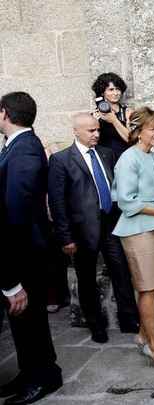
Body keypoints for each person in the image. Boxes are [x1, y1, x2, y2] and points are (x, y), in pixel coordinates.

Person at [48, 113, 141, 343]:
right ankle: (96, 325)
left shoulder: (106, 153)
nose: (96, 134)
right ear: (76, 131)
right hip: (81, 231)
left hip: (111, 224)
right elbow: (57, 202)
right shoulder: (61, 160)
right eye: (91, 131)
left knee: (121, 272)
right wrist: (65, 237)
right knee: (87, 278)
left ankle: (130, 320)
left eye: (98, 130)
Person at [0, 91, 63, 404]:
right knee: (24, 322)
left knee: (29, 319)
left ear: (5, 114)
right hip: (25, 251)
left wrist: (11, 277)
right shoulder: (19, 146)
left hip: (24, 253)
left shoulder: (23, 149)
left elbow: (16, 213)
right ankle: (32, 372)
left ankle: (42, 377)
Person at [113, 107, 154, 368]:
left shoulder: (150, 156)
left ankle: (142, 335)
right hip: (137, 231)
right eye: (153, 128)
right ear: (138, 132)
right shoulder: (129, 159)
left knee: (152, 287)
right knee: (148, 289)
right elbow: (127, 203)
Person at [44, 141, 71, 314]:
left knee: (61, 262)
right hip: (48, 224)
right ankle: (54, 297)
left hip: (61, 223)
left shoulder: (61, 170)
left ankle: (63, 295)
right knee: (51, 262)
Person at [92, 72, 133, 158]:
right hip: (104, 159)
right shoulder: (95, 114)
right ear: (103, 92)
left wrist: (114, 120)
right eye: (111, 89)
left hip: (125, 157)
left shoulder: (127, 112)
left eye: (117, 89)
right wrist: (95, 122)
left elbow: (131, 140)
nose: (116, 93)